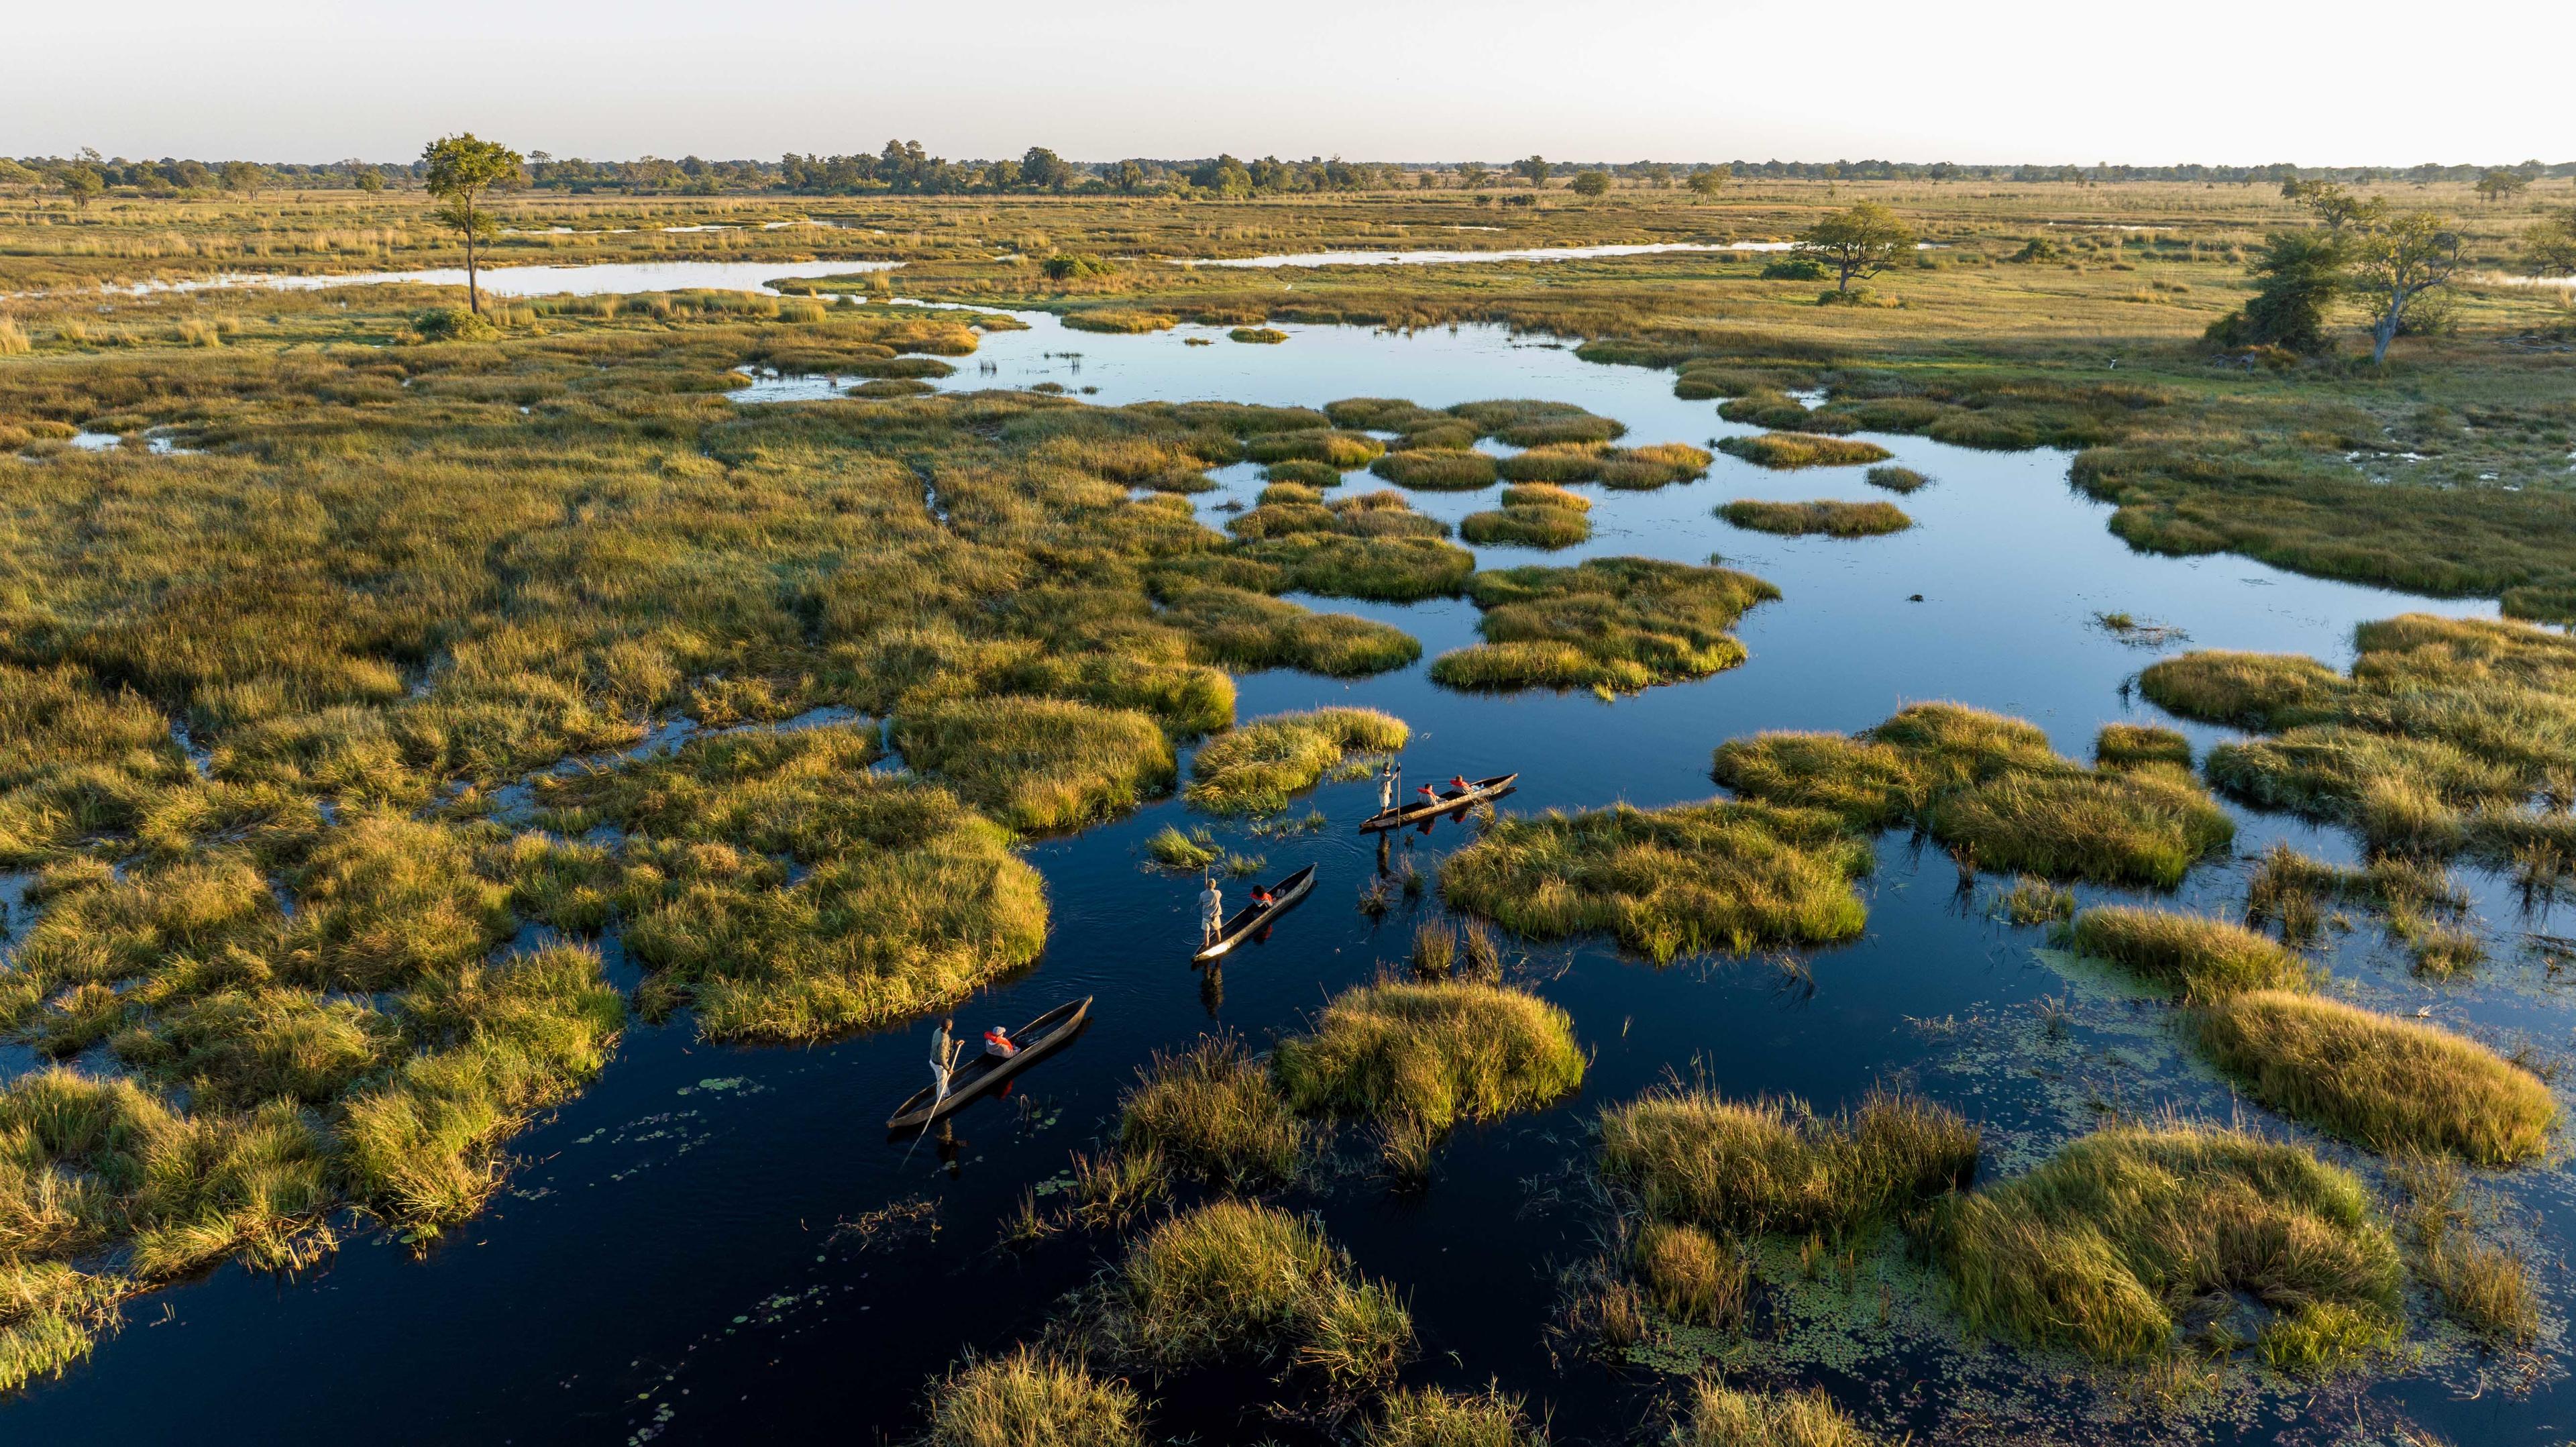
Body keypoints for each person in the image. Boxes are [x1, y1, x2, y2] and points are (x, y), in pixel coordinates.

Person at [1198, 872, 1224, 945]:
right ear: (1214, 885)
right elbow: (1217, 895)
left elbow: (1200, 904)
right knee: (1217, 930)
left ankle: (1206, 947)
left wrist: (1206, 890)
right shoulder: (1218, 893)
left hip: (1206, 917)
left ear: (1207, 885)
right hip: (1215, 917)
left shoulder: (1202, 894)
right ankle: (1219, 943)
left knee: (1206, 934)